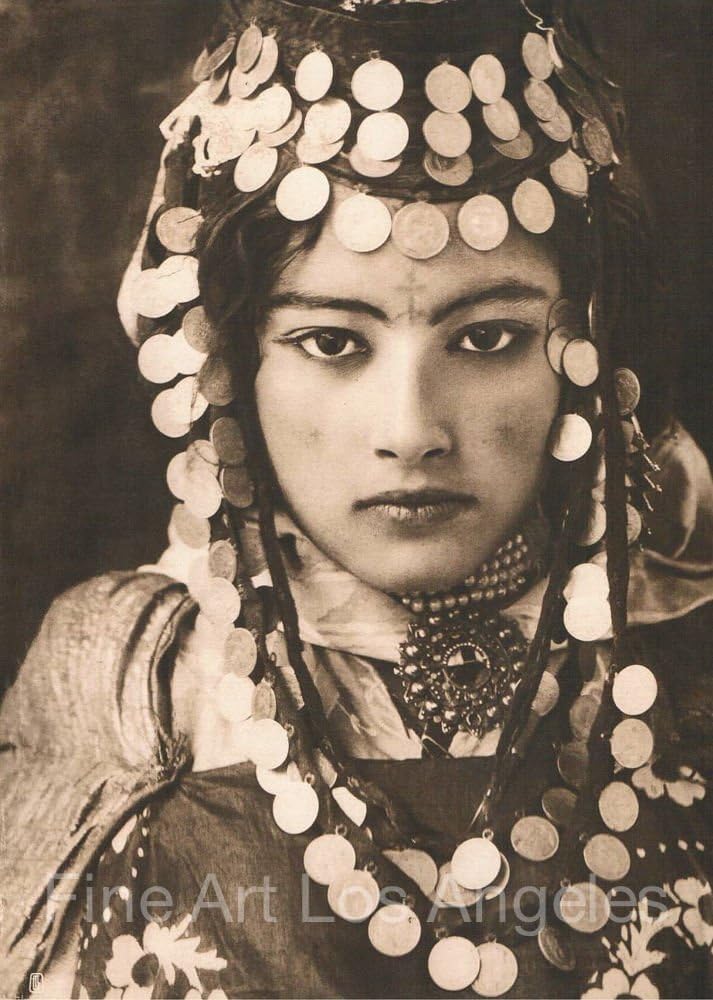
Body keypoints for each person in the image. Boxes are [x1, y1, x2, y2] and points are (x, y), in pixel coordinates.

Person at [1, 0, 712, 997]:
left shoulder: (679, 671)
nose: (411, 427)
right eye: (333, 341)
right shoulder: (141, 697)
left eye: (487, 337)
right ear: (229, 365)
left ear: (587, 353)